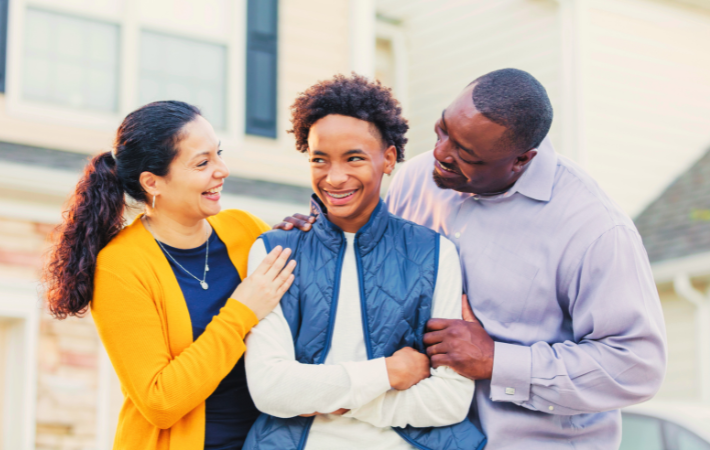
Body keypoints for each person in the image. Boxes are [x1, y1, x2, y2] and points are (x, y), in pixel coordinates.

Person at [277, 69, 667, 449]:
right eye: (443, 130)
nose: (441, 154)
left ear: (521, 160)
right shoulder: (415, 180)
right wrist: (320, 236)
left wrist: (498, 360)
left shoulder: (593, 229)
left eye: (466, 154)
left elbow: (636, 365)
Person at [242, 75, 486, 450]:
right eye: (319, 160)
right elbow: (271, 391)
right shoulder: (275, 251)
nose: (335, 178)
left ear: (388, 159)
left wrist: (327, 400)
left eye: (354, 158)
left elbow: (450, 402)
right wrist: (388, 373)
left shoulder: (435, 253)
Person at [42, 101, 297, 450]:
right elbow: (160, 401)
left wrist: (304, 244)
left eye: (218, 154)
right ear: (153, 182)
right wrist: (241, 312)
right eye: (202, 162)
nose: (222, 170)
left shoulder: (244, 228)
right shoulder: (121, 266)